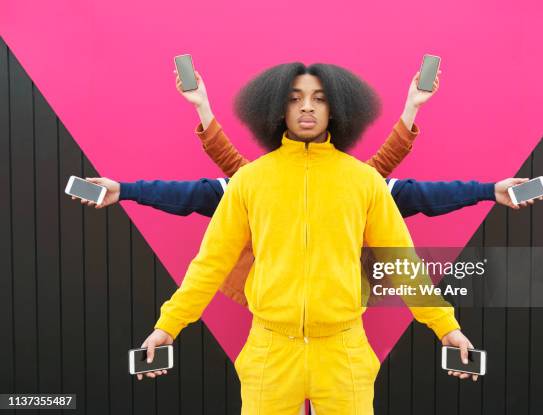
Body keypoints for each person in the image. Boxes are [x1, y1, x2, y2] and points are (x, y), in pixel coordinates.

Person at [134, 62, 477, 414]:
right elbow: (211, 263)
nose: (307, 107)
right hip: (270, 353)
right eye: (295, 99)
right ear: (279, 109)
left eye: (319, 99)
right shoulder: (250, 181)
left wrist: (445, 326)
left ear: (336, 109)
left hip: (344, 354)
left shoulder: (365, 181)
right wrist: (169, 325)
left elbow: (402, 262)